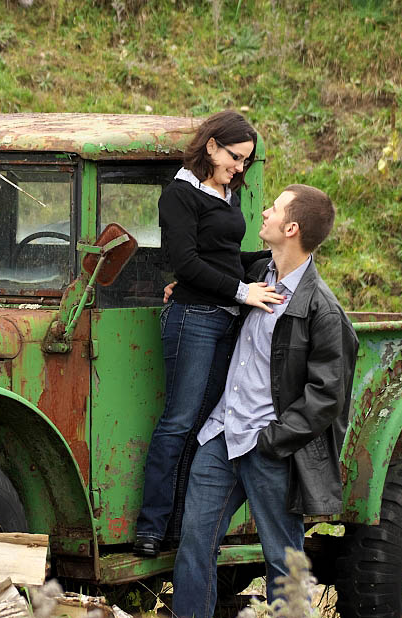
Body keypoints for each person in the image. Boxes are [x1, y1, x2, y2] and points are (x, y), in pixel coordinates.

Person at [171, 184, 359, 618]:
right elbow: (207, 274)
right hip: (221, 435)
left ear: (290, 228)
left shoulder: (322, 310)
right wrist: (181, 290)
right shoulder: (256, 272)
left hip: (267, 445)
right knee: (195, 543)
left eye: (273, 209)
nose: (265, 213)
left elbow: (327, 396)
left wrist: (273, 440)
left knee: (283, 559)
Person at [134, 110, 283, 558]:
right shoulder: (180, 194)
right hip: (193, 318)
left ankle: (183, 530)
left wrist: (283, 257)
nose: (239, 168)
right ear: (212, 146)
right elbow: (186, 263)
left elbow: (224, 257)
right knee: (178, 422)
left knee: (203, 425)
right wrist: (242, 291)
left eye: (245, 162)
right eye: (235, 158)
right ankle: (151, 527)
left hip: (225, 318)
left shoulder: (227, 193)